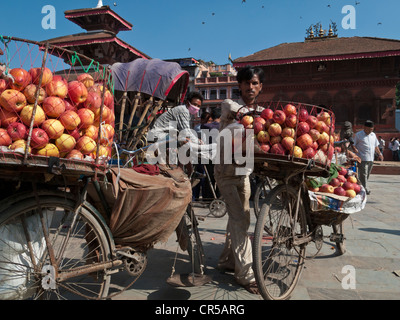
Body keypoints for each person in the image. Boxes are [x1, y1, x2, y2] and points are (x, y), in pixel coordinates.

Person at [214, 66, 264, 295]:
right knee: (241, 220)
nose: (250, 87)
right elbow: (234, 110)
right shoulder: (230, 106)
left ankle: (226, 261)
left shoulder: (261, 112)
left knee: (239, 217)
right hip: (225, 172)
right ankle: (246, 275)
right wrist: (258, 117)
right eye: (246, 83)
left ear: (260, 86)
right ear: (240, 85)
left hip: (243, 173)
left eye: (255, 83)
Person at [353, 120, 384, 195]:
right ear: (364, 127)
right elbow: (353, 144)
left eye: (372, 129)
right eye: (369, 129)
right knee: (363, 174)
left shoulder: (373, 135)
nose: (370, 131)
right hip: (362, 158)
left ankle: (360, 186)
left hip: (371, 158)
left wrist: (380, 154)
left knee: (367, 174)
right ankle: (365, 189)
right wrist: (355, 150)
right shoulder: (358, 135)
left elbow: (376, 146)